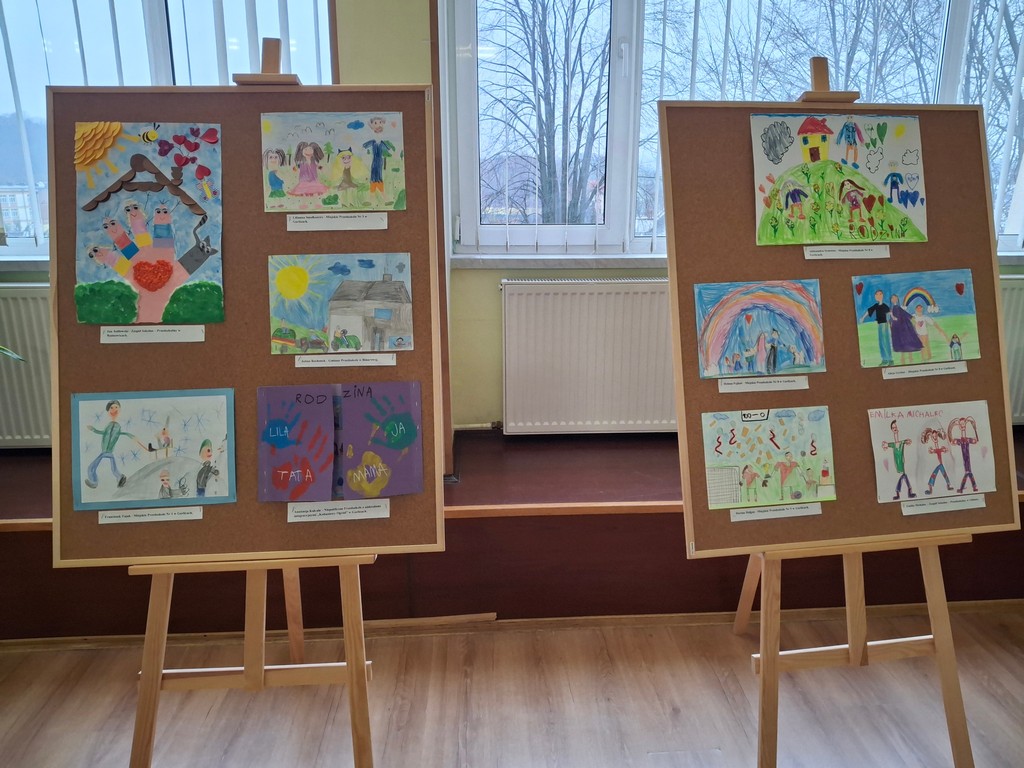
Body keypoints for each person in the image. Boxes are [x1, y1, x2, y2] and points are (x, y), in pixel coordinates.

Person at [85, 400, 145, 490]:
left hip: (108, 451)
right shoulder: (109, 425)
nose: (114, 410)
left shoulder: (117, 426)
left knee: (92, 467)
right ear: (108, 411)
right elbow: (103, 433)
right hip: (105, 451)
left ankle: (95, 482)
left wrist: (131, 436)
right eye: (111, 408)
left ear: (119, 409)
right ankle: (120, 477)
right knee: (111, 469)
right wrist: (93, 430)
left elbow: (120, 434)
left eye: (116, 407)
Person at [363, 116, 396, 204]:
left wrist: (390, 150)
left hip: (379, 163)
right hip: (375, 163)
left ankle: (383, 198)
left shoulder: (381, 142)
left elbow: (388, 148)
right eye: (376, 123)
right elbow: (364, 146)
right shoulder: (373, 141)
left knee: (378, 179)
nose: (378, 125)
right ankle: (375, 199)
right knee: (374, 179)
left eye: (380, 123)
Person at [882, 420, 916, 500]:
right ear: (891, 429)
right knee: (903, 477)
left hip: (903, 464)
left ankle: (901, 492)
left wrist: (908, 441)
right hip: (897, 465)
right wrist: (885, 445)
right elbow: (887, 445)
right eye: (893, 427)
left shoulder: (901, 443)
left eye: (896, 427)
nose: (895, 429)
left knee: (904, 476)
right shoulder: (893, 445)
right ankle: (906, 492)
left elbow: (907, 441)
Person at [861, 289, 894, 366]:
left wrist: (893, 319)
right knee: (881, 342)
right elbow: (869, 311)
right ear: (875, 297)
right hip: (879, 325)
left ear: (882, 296)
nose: (878, 296)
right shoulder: (876, 305)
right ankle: (885, 359)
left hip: (884, 325)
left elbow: (890, 313)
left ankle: (890, 360)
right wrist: (863, 318)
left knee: (885, 342)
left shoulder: (885, 306)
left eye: (880, 294)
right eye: (877, 295)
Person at [888, 294, 923, 364]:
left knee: (903, 337)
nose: (894, 299)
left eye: (895, 298)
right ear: (891, 300)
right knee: (898, 337)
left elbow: (903, 314)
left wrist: (911, 317)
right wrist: (891, 321)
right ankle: (900, 349)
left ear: (897, 299)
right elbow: (893, 318)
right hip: (896, 326)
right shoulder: (893, 308)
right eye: (892, 298)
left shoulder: (897, 307)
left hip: (899, 325)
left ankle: (905, 351)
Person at [948, 417, 979, 494]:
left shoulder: (967, 440)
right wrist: (951, 436)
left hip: (967, 459)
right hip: (965, 460)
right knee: (969, 472)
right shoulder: (960, 440)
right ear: (959, 426)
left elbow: (975, 441)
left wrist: (975, 434)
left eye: (963, 424)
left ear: (965, 424)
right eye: (961, 424)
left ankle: (962, 488)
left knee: (968, 472)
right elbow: (953, 442)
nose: (962, 425)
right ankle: (974, 487)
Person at [921, 426, 954, 495]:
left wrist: (943, 449)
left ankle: (948, 485)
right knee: (933, 475)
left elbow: (942, 449)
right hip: (935, 463)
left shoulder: (940, 443)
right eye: (933, 437)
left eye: (936, 436)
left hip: (940, 462)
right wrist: (936, 450)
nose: (935, 438)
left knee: (944, 474)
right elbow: (930, 452)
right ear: (931, 437)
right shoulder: (930, 444)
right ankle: (930, 489)